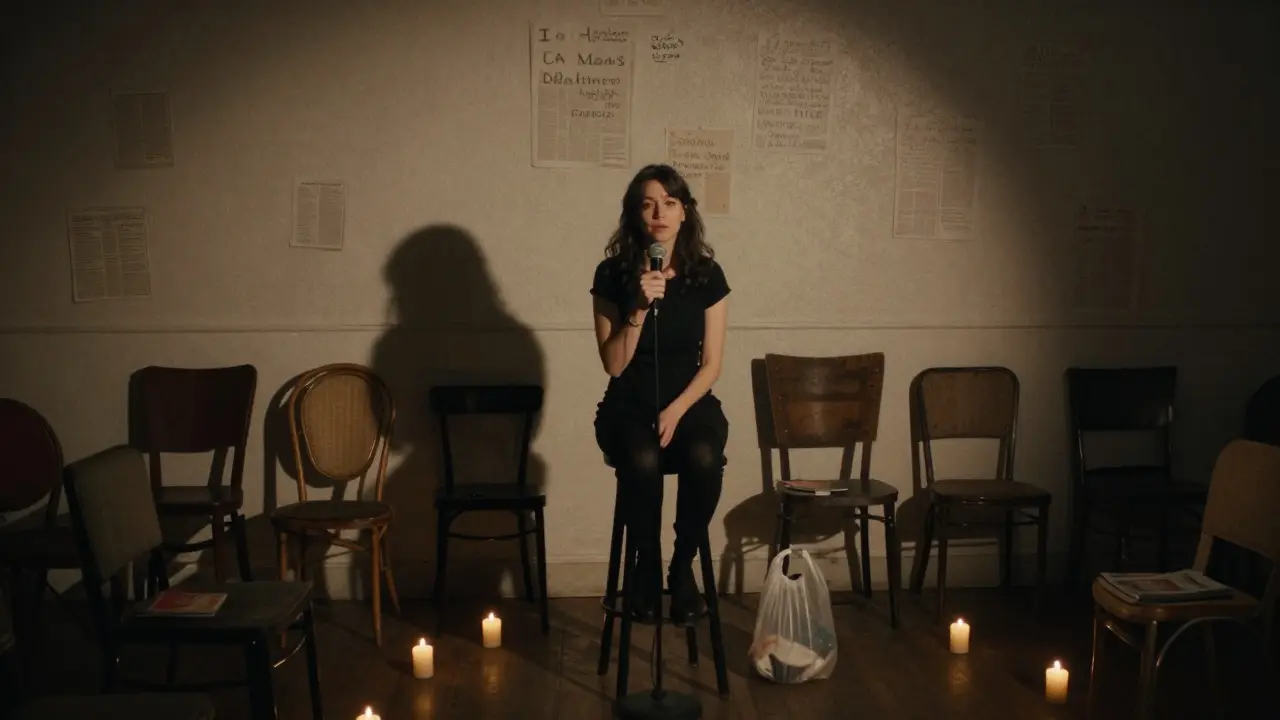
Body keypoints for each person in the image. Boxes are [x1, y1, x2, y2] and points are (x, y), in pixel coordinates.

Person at [590, 164, 730, 625]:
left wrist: (677, 408)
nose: (659, 213)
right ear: (635, 213)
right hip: (627, 406)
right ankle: (645, 568)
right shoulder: (612, 274)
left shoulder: (705, 275)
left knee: (705, 455)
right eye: (648, 204)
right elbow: (612, 364)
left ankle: (681, 567)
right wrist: (638, 308)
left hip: (687, 400)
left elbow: (711, 364)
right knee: (643, 460)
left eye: (669, 203)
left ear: (685, 212)